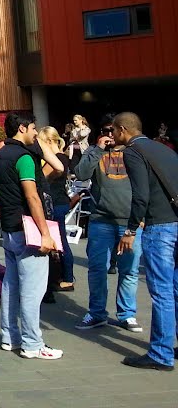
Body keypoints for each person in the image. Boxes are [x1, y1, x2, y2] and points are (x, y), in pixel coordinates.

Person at [0, 112, 63, 360]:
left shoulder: (0, 155)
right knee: (32, 291)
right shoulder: (23, 157)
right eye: (33, 128)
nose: (36, 133)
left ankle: (9, 337)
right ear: (22, 128)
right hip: (28, 230)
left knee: (11, 286)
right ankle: (33, 343)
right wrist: (45, 234)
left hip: (10, 229)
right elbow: (32, 197)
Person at [115, 111, 178, 370]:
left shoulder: (132, 152)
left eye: (114, 131)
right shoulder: (165, 150)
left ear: (122, 130)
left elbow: (140, 194)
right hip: (175, 221)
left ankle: (160, 354)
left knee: (161, 291)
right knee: (175, 288)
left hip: (159, 227)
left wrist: (130, 230)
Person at [73, 119, 143, 333]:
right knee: (97, 269)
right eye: (105, 131)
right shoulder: (96, 151)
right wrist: (98, 149)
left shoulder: (135, 152)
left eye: (113, 131)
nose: (110, 135)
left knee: (129, 270)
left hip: (130, 221)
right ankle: (96, 313)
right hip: (101, 220)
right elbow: (81, 173)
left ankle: (127, 314)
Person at [39, 126, 76, 292]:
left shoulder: (57, 158)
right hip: (60, 201)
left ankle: (67, 278)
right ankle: (64, 275)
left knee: (60, 241)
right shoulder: (63, 157)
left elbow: (41, 177)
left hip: (55, 202)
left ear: (47, 141)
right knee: (60, 240)